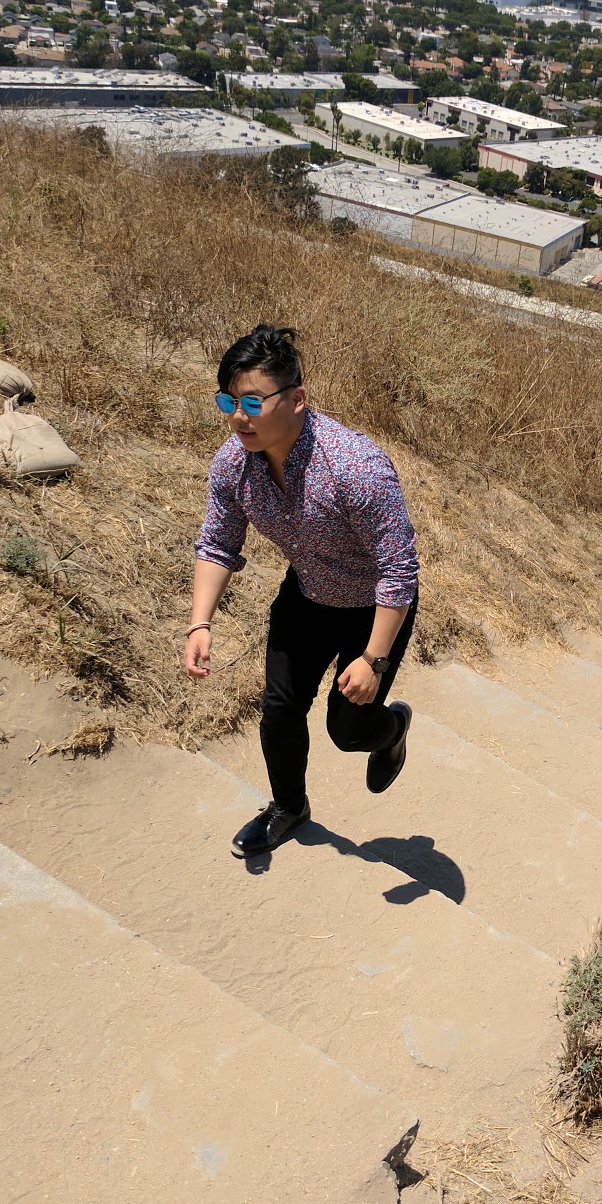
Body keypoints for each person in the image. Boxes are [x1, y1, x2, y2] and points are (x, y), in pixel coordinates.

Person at [186, 325, 420, 858]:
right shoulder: (234, 464)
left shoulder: (355, 468)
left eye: (252, 401)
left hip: (372, 606)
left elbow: (399, 570)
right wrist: (201, 621)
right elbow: (218, 542)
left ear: (296, 400)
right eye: (228, 400)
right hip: (308, 593)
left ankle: (393, 729)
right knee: (280, 708)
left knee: (349, 731)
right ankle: (288, 805)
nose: (238, 417)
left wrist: (374, 660)